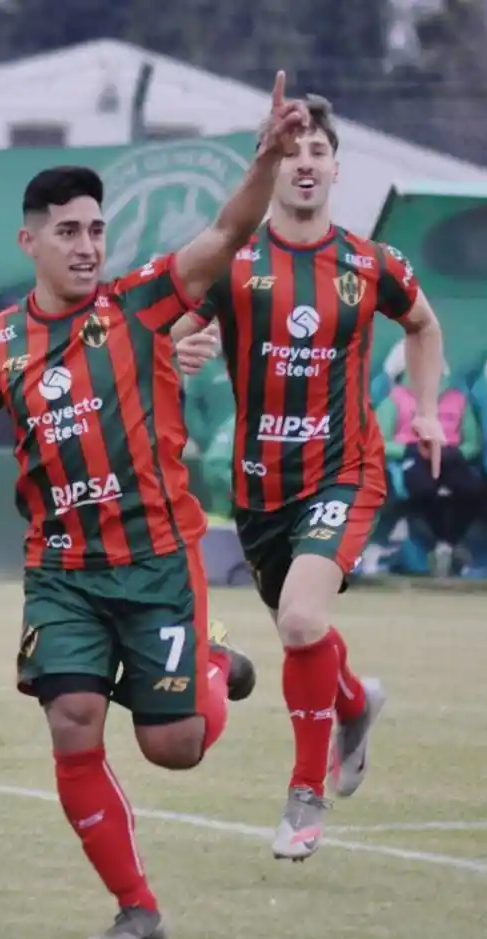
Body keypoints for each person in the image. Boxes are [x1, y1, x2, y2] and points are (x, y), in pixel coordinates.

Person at [0, 73, 307, 939]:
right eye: (69, 232)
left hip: (157, 562)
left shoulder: (139, 306)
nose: (87, 246)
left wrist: (266, 158)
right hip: (62, 572)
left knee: (175, 748)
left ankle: (208, 662)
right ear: (31, 241)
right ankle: (137, 909)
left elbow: (228, 232)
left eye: (96, 230)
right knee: (71, 721)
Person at [170, 95, 448, 861]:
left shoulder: (370, 264)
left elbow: (423, 324)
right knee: (304, 631)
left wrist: (425, 412)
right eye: (290, 149)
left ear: (334, 167)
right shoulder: (234, 263)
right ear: (274, 162)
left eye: (317, 150)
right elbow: (164, 342)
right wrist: (181, 351)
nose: (304, 163)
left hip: (345, 472)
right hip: (259, 489)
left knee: (298, 621)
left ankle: (304, 796)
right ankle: (355, 704)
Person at [378, 374, 485, 577]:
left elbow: (473, 443)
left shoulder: (458, 399)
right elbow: (379, 440)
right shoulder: (396, 398)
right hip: (413, 455)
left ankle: (446, 543)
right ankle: (441, 545)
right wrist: (407, 450)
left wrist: (456, 452)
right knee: (424, 489)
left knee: (473, 490)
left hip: (450, 455)